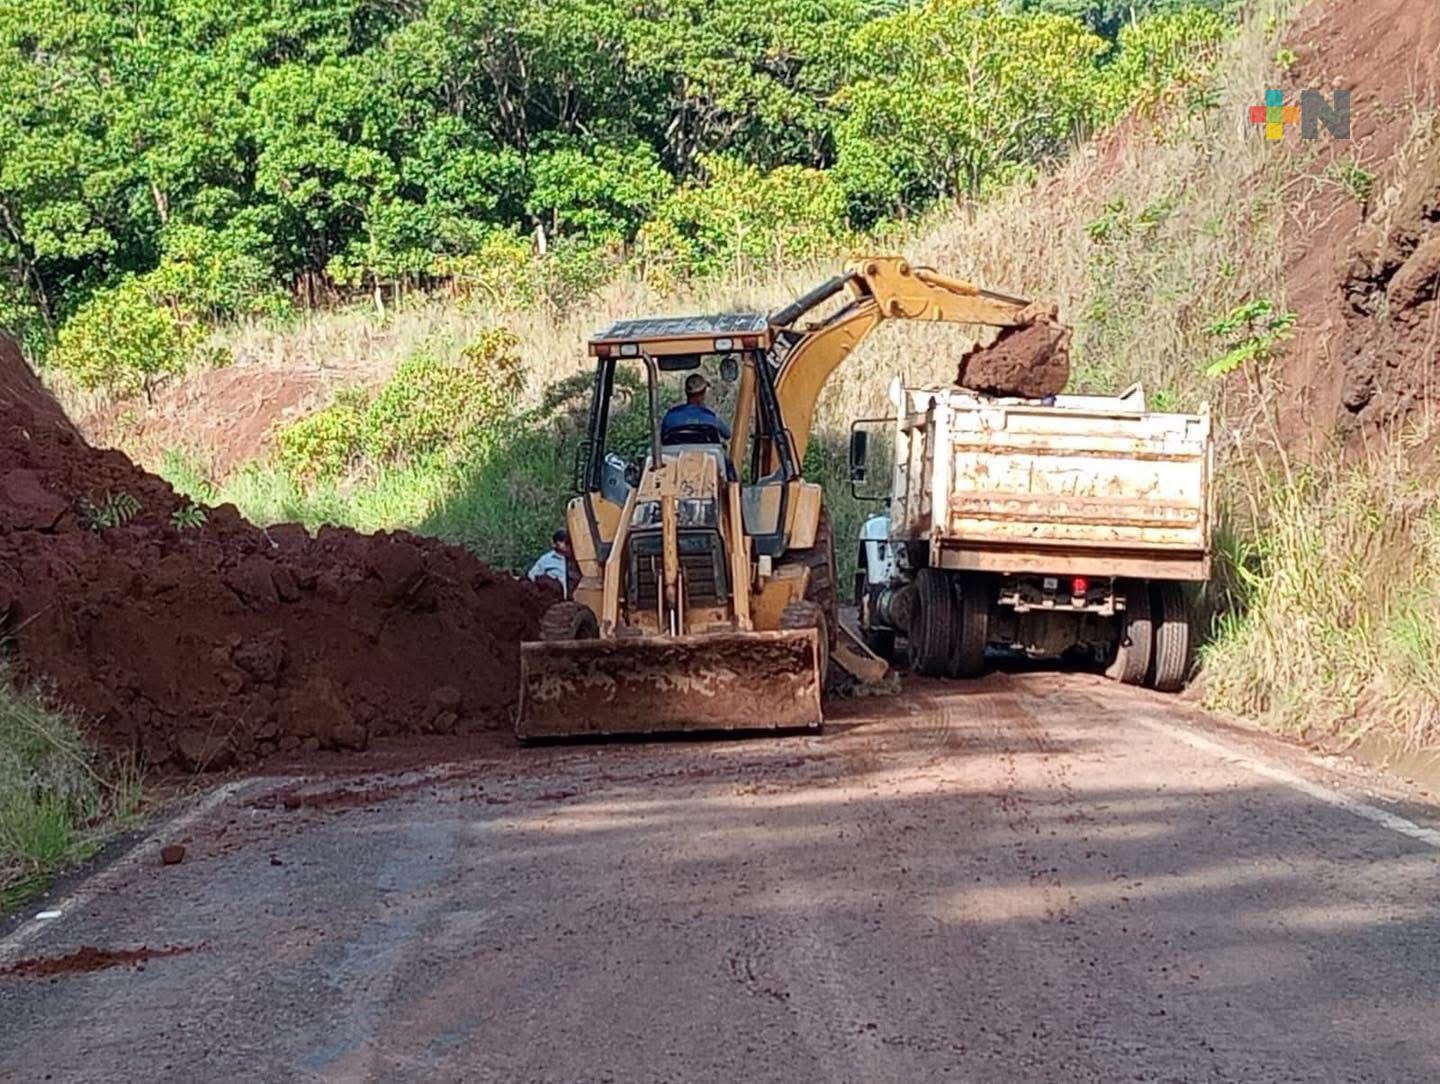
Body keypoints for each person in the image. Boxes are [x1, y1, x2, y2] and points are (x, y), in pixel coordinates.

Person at [661, 372, 731, 444]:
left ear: (686, 392)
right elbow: (727, 434)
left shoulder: (670, 416)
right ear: (703, 393)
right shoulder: (712, 417)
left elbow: (662, 437)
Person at [528, 529, 573, 595]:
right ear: (554, 544)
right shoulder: (546, 559)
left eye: (567, 540)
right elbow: (532, 575)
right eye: (561, 540)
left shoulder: (576, 560)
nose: (565, 542)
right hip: (554, 600)